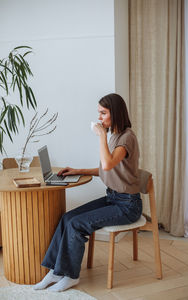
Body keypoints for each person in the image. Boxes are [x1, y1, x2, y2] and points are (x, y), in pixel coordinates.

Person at [34, 93, 142, 292]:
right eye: (99, 113)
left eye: (103, 113)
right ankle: (56, 271)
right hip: (114, 198)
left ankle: (71, 276)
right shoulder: (115, 136)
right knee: (68, 218)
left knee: (77, 224)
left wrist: (101, 135)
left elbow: (108, 164)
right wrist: (77, 170)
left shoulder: (126, 138)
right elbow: (104, 168)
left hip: (128, 205)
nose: (99, 118)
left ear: (115, 114)